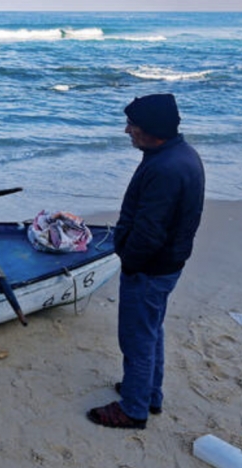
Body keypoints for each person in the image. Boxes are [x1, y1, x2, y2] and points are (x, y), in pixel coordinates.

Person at [87, 94, 204, 429]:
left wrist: (130, 261)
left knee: (137, 338)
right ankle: (149, 393)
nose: (127, 131)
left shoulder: (167, 167)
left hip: (151, 268)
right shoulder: (175, 154)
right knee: (150, 331)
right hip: (166, 264)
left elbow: (149, 232)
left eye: (133, 126)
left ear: (153, 130)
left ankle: (134, 409)